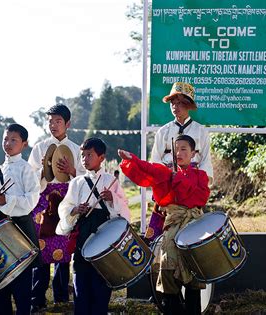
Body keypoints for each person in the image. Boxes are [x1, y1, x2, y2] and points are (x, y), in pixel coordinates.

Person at [119, 134, 210, 315]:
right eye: (175, 149)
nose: (179, 153)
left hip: (194, 227)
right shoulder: (166, 173)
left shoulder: (201, 175)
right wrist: (133, 159)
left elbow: (201, 197)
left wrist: (179, 179)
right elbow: (149, 169)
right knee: (168, 270)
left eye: (184, 149)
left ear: (194, 154)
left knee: (194, 278)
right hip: (172, 227)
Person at [56, 137, 130, 315]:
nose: (84, 159)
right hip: (83, 236)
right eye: (83, 155)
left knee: (101, 284)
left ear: (102, 157)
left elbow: (124, 211)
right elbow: (64, 207)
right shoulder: (77, 182)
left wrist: (112, 200)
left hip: (105, 237)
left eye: (89, 155)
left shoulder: (111, 180)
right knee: (80, 283)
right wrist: (75, 209)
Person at [28, 104, 86, 311]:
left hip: (67, 201)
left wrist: (72, 170)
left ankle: (61, 295)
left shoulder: (77, 149)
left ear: (67, 123)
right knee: (42, 247)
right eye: (50, 121)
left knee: (64, 247)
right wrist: (43, 171)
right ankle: (37, 297)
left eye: (58, 121)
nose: (53, 125)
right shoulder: (39, 148)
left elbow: (84, 178)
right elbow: (30, 176)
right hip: (44, 202)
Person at [0, 123, 40, 315]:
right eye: (6, 139)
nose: (8, 143)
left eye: (14, 140)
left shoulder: (26, 169)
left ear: (24, 144)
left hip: (20, 229)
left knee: (22, 287)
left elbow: (32, 200)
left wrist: (8, 200)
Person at [146, 81, 213, 242]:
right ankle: (163, 263)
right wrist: (166, 180)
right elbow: (155, 160)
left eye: (181, 103)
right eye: (173, 103)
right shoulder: (163, 131)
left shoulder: (201, 131)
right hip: (167, 186)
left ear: (188, 106)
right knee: (161, 234)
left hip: (191, 186)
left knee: (193, 232)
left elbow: (205, 162)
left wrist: (197, 183)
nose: (175, 107)